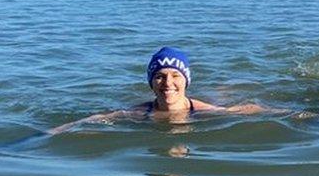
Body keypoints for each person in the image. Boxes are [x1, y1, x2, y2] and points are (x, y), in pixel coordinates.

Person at [49, 46, 275, 134]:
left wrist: (296, 115)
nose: (167, 83)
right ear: (151, 82)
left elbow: (245, 109)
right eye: (160, 76)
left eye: (176, 76)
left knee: (220, 96)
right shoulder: (138, 113)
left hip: (196, 107)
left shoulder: (205, 111)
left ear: (186, 81)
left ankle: (224, 87)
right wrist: (52, 133)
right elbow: (97, 118)